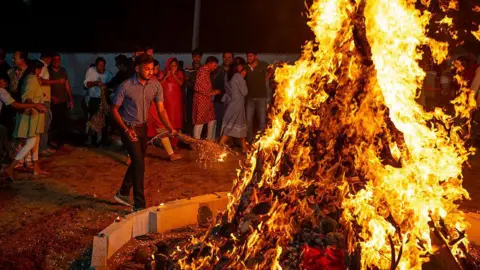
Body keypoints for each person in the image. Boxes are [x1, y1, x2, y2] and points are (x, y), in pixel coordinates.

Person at [111, 54, 176, 211]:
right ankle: (139, 205)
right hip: (129, 128)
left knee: (136, 161)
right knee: (139, 163)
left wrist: (169, 128)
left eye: (152, 68)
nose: (150, 72)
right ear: (137, 68)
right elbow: (114, 109)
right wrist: (126, 130)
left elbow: (161, 109)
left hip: (143, 128)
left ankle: (123, 193)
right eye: (146, 69)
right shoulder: (125, 86)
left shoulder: (155, 86)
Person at [5, 60, 48, 179]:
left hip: (34, 115)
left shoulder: (30, 78)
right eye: (39, 69)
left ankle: (36, 168)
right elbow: (27, 98)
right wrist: (36, 105)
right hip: (31, 116)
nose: (40, 72)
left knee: (35, 141)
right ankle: (10, 167)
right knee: (31, 143)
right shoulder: (32, 78)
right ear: (35, 69)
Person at [0, 76, 46, 164]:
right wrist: (34, 105)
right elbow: (16, 105)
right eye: (3, 80)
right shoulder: (2, 91)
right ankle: (11, 163)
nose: (5, 83)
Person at [220, 57, 248, 153]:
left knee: (239, 124)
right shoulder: (238, 76)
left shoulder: (227, 75)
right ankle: (220, 145)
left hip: (231, 103)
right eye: (242, 66)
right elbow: (245, 92)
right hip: (238, 105)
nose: (243, 68)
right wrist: (243, 78)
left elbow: (228, 90)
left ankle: (244, 147)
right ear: (239, 66)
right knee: (231, 126)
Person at [84, 57, 113, 146]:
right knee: (92, 120)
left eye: (103, 66)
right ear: (96, 65)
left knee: (104, 121)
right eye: (99, 65)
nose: (101, 67)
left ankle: (102, 140)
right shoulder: (91, 71)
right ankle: (91, 140)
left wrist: (106, 88)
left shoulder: (108, 74)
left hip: (104, 100)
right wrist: (96, 83)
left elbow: (112, 87)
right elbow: (86, 84)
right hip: (94, 99)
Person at [245, 52, 273, 142]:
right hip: (249, 97)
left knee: (262, 120)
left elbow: (271, 69)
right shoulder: (246, 67)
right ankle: (249, 140)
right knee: (248, 120)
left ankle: (260, 141)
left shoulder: (263, 64)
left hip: (261, 97)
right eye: (248, 56)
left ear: (255, 56)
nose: (249, 58)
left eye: (251, 56)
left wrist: (266, 78)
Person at [48, 53, 74, 149]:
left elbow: (67, 85)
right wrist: (51, 97)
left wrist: (71, 99)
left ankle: (60, 143)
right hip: (52, 101)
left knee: (62, 123)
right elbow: (43, 86)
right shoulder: (48, 71)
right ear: (51, 60)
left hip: (62, 101)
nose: (56, 61)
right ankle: (47, 143)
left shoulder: (63, 71)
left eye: (58, 59)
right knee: (51, 123)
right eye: (54, 59)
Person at [193, 56, 221, 140]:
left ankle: (210, 140)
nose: (215, 67)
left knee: (211, 119)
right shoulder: (202, 72)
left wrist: (211, 92)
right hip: (201, 99)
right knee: (200, 121)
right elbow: (198, 88)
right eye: (214, 65)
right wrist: (213, 92)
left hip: (206, 99)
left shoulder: (206, 71)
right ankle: (196, 142)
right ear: (209, 63)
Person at [211, 52, 234, 139]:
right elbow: (211, 83)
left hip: (231, 102)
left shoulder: (235, 71)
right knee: (218, 121)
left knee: (230, 123)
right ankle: (217, 140)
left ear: (232, 59)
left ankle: (226, 141)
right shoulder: (217, 70)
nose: (227, 59)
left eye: (229, 57)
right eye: (225, 57)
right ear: (223, 58)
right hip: (218, 100)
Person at [184, 50, 203, 135]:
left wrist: (192, 80)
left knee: (200, 114)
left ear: (201, 57)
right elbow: (187, 83)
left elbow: (204, 82)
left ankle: (199, 135)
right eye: (195, 56)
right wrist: (195, 82)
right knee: (190, 113)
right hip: (191, 94)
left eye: (198, 57)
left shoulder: (203, 68)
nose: (196, 58)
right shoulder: (188, 68)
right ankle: (189, 134)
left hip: (201, 94)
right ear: (192, 57)